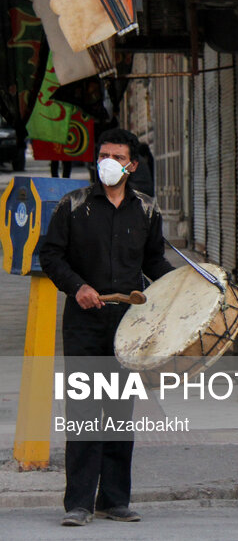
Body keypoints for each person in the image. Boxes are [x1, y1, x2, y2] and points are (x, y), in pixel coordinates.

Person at [38, 128, 174, 527]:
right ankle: (79, 503)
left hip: (128, 326)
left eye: (116, 156)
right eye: (102, 155)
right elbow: (51, 256)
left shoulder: (147, 210)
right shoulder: (73, 205)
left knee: (119, 413)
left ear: (132, 165)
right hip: (84, 324)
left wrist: (182, 288)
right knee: (83, 413)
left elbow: (155, 263)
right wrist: (77, 287)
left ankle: (114, 500)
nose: (107, 163)